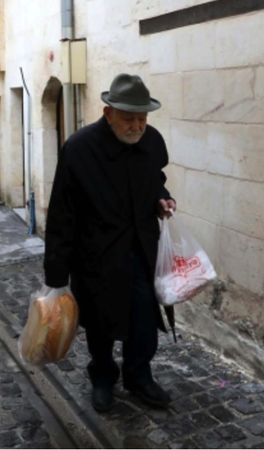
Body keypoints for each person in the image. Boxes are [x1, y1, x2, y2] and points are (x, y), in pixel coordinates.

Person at [44, 73, 177, 412]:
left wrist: (161, 198)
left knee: (144, 321)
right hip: (95, 256)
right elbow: (62, 214)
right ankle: (102, 378)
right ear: (108, 114)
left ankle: (138, 376)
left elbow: (154, 179)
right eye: (129, 119)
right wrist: (56, 277)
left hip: (141, 250)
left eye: (143, 119)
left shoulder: (152, 141)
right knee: (99, 323)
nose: (137, 126)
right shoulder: (79, 148)